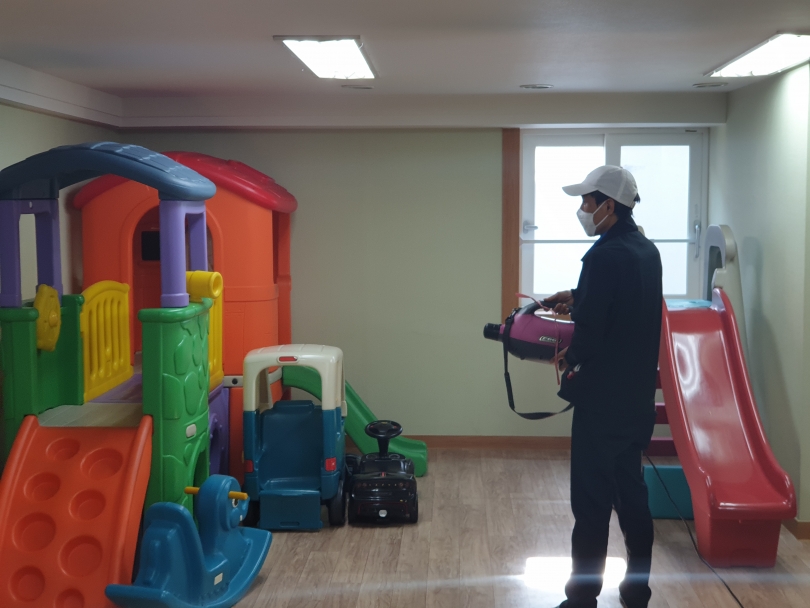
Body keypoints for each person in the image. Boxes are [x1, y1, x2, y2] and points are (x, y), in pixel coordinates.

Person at [544, 165, 663, 608]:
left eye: (587, 202)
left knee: (591, 503)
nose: (582, 209)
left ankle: (582, 597)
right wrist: (576, 297)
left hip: (600, 404)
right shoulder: (646, 251)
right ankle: (637, 589)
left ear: (608, 205)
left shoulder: (602, 256)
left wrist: (567, 357)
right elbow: (625, 304)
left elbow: (591, 332)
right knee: (631, 494)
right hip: (636, 402)